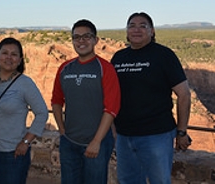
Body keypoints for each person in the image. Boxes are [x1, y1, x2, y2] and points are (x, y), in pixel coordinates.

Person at [111, 12, 192, 184]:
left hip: (157, 135)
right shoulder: (118, 58)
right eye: (132, 25)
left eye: (143, 25)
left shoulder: (164, 55)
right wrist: (113, 129)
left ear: (152, 31)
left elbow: (184, 94)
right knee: (127, 181)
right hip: (124, 136)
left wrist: (182, 131)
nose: (137, 30)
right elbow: (111, 95)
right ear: (126, 31)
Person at [51, 19, 121, 184]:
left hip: (98, 143)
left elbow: (111, 108)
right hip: (69, 142)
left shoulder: (105, 68)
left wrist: (96, 141)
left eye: (86, 36)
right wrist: (62, 130)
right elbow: (56, 101)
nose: (81, 41)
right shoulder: (64, 68)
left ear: (95, 40)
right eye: (77, 37)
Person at [0, 37, 48, 184]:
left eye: (14, 54)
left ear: (20, 60)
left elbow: (42, 113)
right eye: (5, 53)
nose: (9, 57)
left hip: (12, 153)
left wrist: (26, 142)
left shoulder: (25, 83)